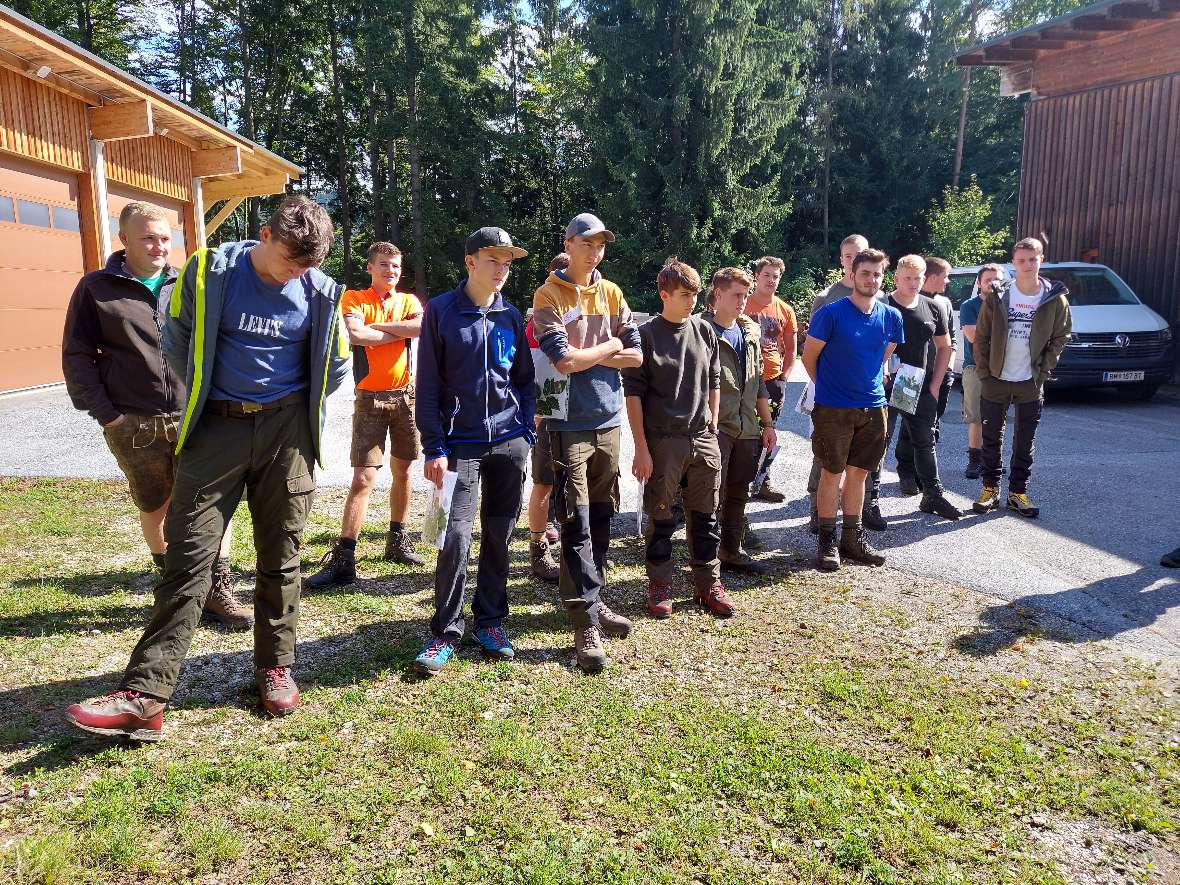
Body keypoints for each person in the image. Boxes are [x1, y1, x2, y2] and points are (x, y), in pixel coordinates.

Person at [65, 195, 351, 739]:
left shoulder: (320, 291)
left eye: (307, 265)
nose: (297, 272)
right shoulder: (210, 270)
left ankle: (275, 667)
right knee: (188, 557)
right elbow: (174, 338)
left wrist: (287, 403)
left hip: (286, 435)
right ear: (265, 234)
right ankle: (146, 696)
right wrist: (210, 394)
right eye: (290, 259)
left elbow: (336, 365)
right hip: (214, 430)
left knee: (281, 553)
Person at [61, 201, 252, 631]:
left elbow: (217, 343)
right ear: (124, 239)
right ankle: (175, 585)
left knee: (210, 504)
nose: (159, 246)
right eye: (148, 237)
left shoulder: (188, 283)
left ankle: (216, 587)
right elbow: (77, 356)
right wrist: (108, 415)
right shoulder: (96, 289)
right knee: (157, 505)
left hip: (193, 417)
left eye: (166, 238)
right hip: (134, 423)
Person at [412, 227, 536, 676]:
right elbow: (426, 386)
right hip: (459, 444)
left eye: (507, 262)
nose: (502, 269)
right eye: (493, 259)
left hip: (509, 443)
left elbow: (523, 378)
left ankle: (490, 622)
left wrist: (526, 430)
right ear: (470, 262)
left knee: (500, 537)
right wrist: (433, 446)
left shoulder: (510, 314)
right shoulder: (442, 312)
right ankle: (446, 630)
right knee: (456, 537)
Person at [531, 212, 642, 673]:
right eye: (587, 243)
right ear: (569, 244)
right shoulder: (548, 295)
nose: (595, 251)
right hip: (567, 425)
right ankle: (584, 624)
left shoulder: (612, 292)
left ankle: (595, 602)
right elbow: (563, 362)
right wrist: (606, 349)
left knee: (601, 517)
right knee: (573, 519)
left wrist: (593, 355)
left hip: (608, 420)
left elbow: (636, 355)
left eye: (601, 245)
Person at [306, 243, 424, 589]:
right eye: (384, 265)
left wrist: (380, 331)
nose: (391, 271)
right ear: (370, 267)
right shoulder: (355, 298)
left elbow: (419, 329)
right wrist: (396, 329)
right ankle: (345, 557)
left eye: (396, 267)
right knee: (362, 478)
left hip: (406, 396)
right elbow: (356, 335)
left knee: (403, 470)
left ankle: (397, 541)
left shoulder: (410, 301)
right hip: (369, 398)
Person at [625, 258, 733, 618]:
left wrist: (713, 422)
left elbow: (714, 380)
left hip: (702, 438)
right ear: (664, 293)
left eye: (696, 295)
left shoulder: (705, 331)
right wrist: (641, 448)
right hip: (662, 440)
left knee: (705, 516)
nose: (692, 301)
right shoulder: (646, 337)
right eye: (685, 294)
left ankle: (708, 584)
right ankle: (660, 584)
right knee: (661, 518)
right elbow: (634, 396)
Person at [801, 249, 903, 572]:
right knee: (832, 474)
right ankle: (827, 541)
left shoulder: (891, 316)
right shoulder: (831, 314)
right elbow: (809, 357)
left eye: (877, 274)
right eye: (865, 273)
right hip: (833, 408)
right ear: (852, 275)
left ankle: (852, 538)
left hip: (874, 407)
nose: (871, 280)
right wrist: (830, 388)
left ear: (882, 277)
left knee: (859, 474)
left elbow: (886, 352)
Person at [972, 237, 1071, 518]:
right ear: (1013, 263)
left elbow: (1060, 337)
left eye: (1033, 259)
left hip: (1030, 381)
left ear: (1041, 260)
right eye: (1021, 260)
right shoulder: (999, 295)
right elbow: (981, 337)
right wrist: (985, 373)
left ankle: (1018, 492)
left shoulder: (1055, 298)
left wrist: (1043, 372)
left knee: (1024, 441)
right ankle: (990, 489)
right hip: (996, 379)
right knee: (991, 438)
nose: (1027, 265)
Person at [871, 255, 961, 521]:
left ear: (924, 279)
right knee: (879, 443)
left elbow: (945, 346)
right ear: (896, 278)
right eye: (907, 278)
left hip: (917, 385)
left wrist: (935, 386)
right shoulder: (882, 305)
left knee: (925, 441)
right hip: (884, 385)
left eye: (917, 278)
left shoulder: (933, 307)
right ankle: (870, 501)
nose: (912, 283)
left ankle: (932, 494)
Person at [705, 267, 776, 573]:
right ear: (717, 295)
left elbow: (758, 382)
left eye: (746, 294)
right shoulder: (699, 331)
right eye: (737, 294)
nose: (743, 301)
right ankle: (706, 559)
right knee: (710, 495)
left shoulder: (749, 334)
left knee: (738, 492)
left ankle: (731, 550)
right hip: (714, 427)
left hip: (747, 427)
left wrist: (768, 424)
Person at [805, 234, 872, 532]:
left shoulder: (877, 297)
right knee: (825, 454)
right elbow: (811, 351)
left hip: (864, 395)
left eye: (859, 254)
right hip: (830, 393)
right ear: (842, 259)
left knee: (863, 459)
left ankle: (862, 511)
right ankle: (817, 514)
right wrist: (824, 383)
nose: (853, 259)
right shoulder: (826, 298)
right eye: (848, 255)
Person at [525, 252, 570, 583]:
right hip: (547, 414)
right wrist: (537, 413)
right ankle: (539, 550)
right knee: (543, 483)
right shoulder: (537, 322)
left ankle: (577, 549)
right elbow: (533, 372)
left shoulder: (587, 310)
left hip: (580, 414)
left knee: (575, 485)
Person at [743, 256, 797, 503]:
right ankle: (739, 482)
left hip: (772, 379)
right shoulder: (743, 303)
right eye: (767, 275)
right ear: (757, 276)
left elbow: (791, 348)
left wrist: (784, 379)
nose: (771, 280)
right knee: (742, 431)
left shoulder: (785, 310)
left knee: (768, 432)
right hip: (745, 380)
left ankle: (763, 480)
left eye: (776, 276)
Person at [959, 264, 1005, 479]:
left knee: (997, 417)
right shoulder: (970, 306)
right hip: (975, 368)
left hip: (1003, 369)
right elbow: (972, 336)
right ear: (979, 282)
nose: (992, 283)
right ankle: (974, 462)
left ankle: (992, 460)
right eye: (988, 279)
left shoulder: (1007, 305)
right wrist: (1001, 333)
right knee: (976, 418)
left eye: (997, 279)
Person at [921, 256, 957, 425]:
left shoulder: (944, 303)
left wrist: (948, 368)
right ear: (933, 277)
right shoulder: (911, 299)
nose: (948, 281)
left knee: (933, 422)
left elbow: (952, 336)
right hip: (917, 373)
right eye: (946, 276)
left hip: (942, 374)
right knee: (912, 425)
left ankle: (930, 449)